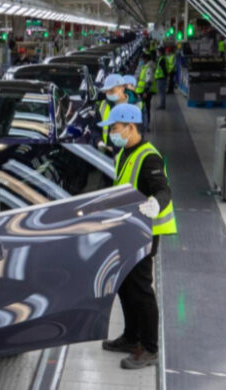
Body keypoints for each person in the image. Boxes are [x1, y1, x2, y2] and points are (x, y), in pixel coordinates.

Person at [97, 104, 178, 369]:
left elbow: (163, 190)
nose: (112, 133)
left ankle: (150, 348)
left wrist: (157, 203)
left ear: (131, 126)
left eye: (115, 128)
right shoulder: (124, 153)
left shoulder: (149, 157)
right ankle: (131, 337)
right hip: (127, 230)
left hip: (145, 233)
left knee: (141, 289)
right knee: (125, 285)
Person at [97, 74, 136, 153]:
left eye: (111, 90)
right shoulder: (103, 105)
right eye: (107, 91)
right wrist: (98, 141)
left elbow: (137, 135)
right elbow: (95, 129)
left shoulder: (136, 106)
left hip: (125, 155)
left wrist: (116, 151)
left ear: (122, 88)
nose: (108, 93)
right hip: (105, 154)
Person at [136, 53, 158, 130]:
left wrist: (146, 92)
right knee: (143, 108)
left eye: (142, 59)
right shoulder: (145, 67)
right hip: (142, 91)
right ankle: (143, 124)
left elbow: (149, 81)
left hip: (145, 93)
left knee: (146, 109)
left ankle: (147, 125)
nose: (141, 60)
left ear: (146, 59)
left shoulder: (148, 68)